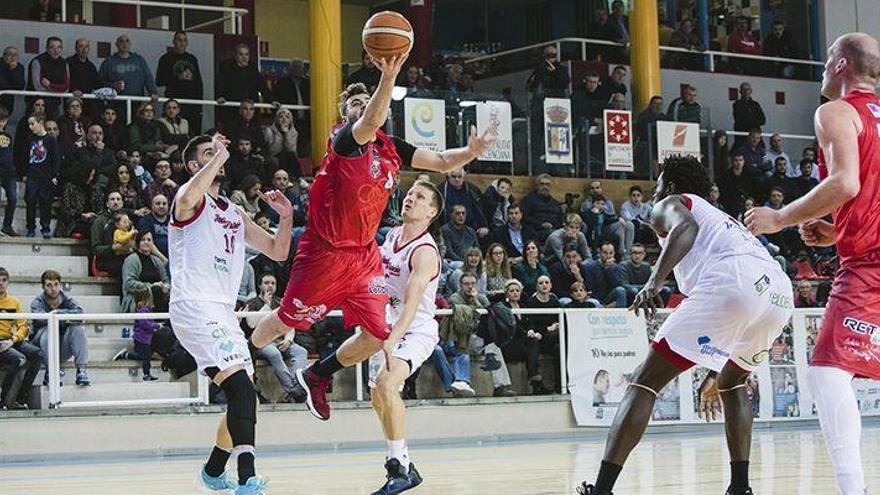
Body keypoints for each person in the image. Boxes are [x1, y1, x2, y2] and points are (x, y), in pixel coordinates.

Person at [249, 54, 495, 424]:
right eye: (355, 104)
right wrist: (389, 76)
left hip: (363, 256)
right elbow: (371, 120)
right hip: (325, 253)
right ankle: (242, 349)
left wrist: (470, 153)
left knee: (382, 335)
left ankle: (317, 375)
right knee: (287, 320)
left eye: (367, 101)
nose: (363, 107)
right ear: (345, 114)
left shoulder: (391, 146)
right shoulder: (345, 140)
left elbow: (443, 161)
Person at [577, 154, 792, 495]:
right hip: (778, 293)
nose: (653, 193)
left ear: (672, 187)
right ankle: (740, 488)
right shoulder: (722, 219)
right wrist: (713, 370)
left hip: (735, 282)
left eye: (658, 185)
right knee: (733, 383)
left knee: (643, 384)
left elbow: (685, 227)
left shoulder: (674, 203)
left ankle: (601, 490)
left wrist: (653, 282)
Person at [744, 33, 880, 495]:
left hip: (871, 266)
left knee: (827, 372)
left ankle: (853, 490)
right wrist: (841, 230)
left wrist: (780, 218)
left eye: (826, 59)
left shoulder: (836, 111)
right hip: (866, 251)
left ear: (842, 64)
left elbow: (845, 183)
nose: (822, 68)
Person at [169, 133, 293, 495]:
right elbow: (192, 194)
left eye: (218, 152)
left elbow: (278, 251)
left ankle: (212, 470)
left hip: (223, 312)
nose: (218, 156)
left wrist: (285, 216)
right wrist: (219, 153)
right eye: (208, 154)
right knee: (240, 388)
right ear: (194, 166)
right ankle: (247, 479)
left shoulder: (234, 213)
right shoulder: (187, 200)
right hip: (194, 305)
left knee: (245, 395)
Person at [367, 180, 444, 494]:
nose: (411, 198)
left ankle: (398, 467)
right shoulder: (393, 236)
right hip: (388, 326)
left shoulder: (425, 252)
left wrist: (391, 337)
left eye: (420, 196)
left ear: (432, 212)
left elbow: (411, 305)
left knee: (387, 384)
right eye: (410, 193)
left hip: (415, 330)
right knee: (377, 395)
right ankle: (404, 464)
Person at [239, 273, 308, 404]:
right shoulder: (252, 302)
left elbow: (289, 324)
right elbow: (251, 324)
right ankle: (294, 391)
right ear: (259, 285)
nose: (270, 286)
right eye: (266, 283)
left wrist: (288, 340)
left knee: (301, 351)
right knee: (274, 353)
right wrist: (266, 304)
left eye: (273, 283)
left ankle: (300, 384)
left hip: (280, 341)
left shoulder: (280, 302)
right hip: (260, 343)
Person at [31, 270, 91, 387]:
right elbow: (40, 319)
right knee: (49, 327)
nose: (53, 288)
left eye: (56, 284)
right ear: (43, 287)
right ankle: (51, 373)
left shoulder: (68, 300)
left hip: (61, 347)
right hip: (41, 348)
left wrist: (58, 313)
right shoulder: (37, 302)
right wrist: (61, 317)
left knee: (78, 328)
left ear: (60, 285)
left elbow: (80, 313)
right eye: (49, 285)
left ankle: (81, 371)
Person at [0, 267, 41, 409]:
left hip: (10, 340)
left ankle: (21, 398)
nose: (1, 283)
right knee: (18, 359)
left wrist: (13, 340)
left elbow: (23, 326)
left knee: (37, 354)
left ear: (8, 282)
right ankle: (3, 400)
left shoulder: (14, 302)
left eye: (4, 280)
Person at [156, 31, 204, 133]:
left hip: (192, 106)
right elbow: (159, 81)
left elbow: (199, 83)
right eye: (179, 40)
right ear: (173, 42)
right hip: (174, 105)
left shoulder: (192, 59)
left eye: (184, 40)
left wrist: (200, 105)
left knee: (193, 136)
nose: (182, 43)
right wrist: (178, 77)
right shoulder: (165, 58)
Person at [98, 35, 159, 112]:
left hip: (136, 104)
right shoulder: (108, 62)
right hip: (115, 105)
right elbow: (100, 83)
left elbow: (148, 77)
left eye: (127, 41)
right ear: (116, 44)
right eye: (121, 41)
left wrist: (152, 92)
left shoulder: (139, 60)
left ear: (130, 44)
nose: (124, 44)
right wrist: (112, 86)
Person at [24, 112, 60, 239]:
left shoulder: (50, 140)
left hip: (46, 176)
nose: (30, 127)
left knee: (45, 202)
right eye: (29, 124)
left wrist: (54, 175)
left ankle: (45, 227)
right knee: (30, 200)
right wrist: (25, 173)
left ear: (41, 123)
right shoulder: (30, 139)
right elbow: (26, 157)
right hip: (32, 175)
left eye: (32, 124)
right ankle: (30, 228)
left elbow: (55, 158)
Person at [112, 287, 160, 381]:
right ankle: (127, 356)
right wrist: (156, 325)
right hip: (141, 338)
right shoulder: (143, 310)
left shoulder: (147, 309)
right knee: (145, 357)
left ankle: (147, 374)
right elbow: (145, 323)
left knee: (145, 357)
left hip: (146, 338)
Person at [215, 44, 270, 125]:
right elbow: (220, 84)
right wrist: (220, 96)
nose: (244, 57)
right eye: (241, 54)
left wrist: (271, 100)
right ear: (235, 55)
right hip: (232, 111)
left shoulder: (253, 68)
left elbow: (262, 86)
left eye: (246, 54)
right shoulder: (227, 67)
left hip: (251, 112)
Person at [26, 37, 68, 118]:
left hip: (54, 105)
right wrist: (58, 89)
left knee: (52, 129)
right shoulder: (37, 61)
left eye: (59, 47)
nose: (56, 50)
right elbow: (38, 87)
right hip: (36, 104)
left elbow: (66, 88)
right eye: (52, 47)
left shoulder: (64, 63)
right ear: (46, 48)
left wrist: (49, 85)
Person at [520, 173, 562, 241]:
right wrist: (541, 224)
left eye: (547, 184)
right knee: (556, 235)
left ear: (551, 187)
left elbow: (560, 219)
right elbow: (524, 217)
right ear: (537, 186)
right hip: (536, 231)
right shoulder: (528, 200)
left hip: (554, 230)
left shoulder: (555, 203)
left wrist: (553, 226)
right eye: (542, 184)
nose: (545, 187)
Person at [67, 38, 102, 118]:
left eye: (86, 46)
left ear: (89, 49)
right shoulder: (68, 62)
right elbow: (64, 80)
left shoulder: (91, 66)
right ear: (76, 48)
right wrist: (74, 89)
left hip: (88, 104)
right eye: (81, 46)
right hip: (72, 101)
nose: (84, 49)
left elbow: (98, 84)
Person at [732, 83, 766, 148]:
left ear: (751, 91)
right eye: (743, 90)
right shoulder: (737, 104)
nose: (746, 92)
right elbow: (740, 120)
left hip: (756, 138)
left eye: (747, 89)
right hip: (742, 138)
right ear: (740, 92)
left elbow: (763, 120)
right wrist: (754, 120)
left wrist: (750, 119)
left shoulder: (756, 105)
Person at [0, 108, 16, 236]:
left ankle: (7, 225)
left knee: (13, 198)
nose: (1, 123)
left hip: (9, 172)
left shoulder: (8, 136)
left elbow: (10, 154)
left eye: (3, 120)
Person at [0, 46, 25, 115]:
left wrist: (13, 70)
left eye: (15, 55)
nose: (13, 57)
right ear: (4, 55)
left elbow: (20, 86)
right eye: (10, 54)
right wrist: (11, 86)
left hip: (8, 100)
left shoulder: (19, 67)